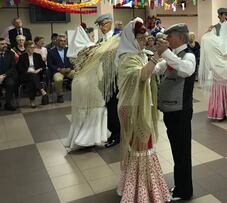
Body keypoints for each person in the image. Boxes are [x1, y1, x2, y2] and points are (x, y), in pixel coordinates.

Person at [115, 17, 170, 203]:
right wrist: (157, 56)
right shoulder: (126, 58)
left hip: (139, 105)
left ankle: (141, 186)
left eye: (145, 38)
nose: (143, 42)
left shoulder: (138, 54)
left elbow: (150, 72)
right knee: (140, 147)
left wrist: (161, 62)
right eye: (140, 38)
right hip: (131, 107)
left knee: (143, 146)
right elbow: (142, 75)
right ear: (130, 38)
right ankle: (140, 191)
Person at [156, 23, 196, 201]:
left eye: (169, 36)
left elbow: (186, 69)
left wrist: (165, 52)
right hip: (171, 111)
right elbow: (158, 69)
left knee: (182, 152)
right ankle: (180, 185)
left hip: (181, 111)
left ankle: (184, 190)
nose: (167, 39)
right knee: (176, 150)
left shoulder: (188, 55)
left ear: (180, 37)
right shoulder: (173, 55)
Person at [64, 24, 120, 151]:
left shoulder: (73, 51)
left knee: (81, 111)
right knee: (94, 109)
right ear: (86, 36)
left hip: (78, 83)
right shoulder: (88, 48)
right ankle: (88, 139)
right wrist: (119, 37)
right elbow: (106, 50)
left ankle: (77, 138)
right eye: (92, 36)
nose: (93, 38)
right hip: (90, 83)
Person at [95, 13, 121, 148]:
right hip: (104, 78)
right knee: (107, 106)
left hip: (117, 78)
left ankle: (117, 134)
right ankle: (115, 131)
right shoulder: (100, 41)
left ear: (110, 22)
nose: (101, 27)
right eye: (99, 25)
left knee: (113, 107)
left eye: (103, 24)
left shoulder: (119, 38)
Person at [17, 41, 48, 108]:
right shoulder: (22, 57)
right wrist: (29, 71)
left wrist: (38, 70)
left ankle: (32, 101)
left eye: (33, 47)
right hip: (26, 75)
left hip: (36, 75)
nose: (32, 49)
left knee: (32, 80)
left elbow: (43, 66)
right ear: (26, 48)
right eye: (30, 47)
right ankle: (41, 90)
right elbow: (20, 68)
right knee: (32, 76)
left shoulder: (37, 55)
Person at [48, 34, 74, 103]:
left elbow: (73, 61)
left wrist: (70, 68)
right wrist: (59, 69)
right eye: (61, 41)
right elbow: (50, 64)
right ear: (57, 41)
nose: (63, 42)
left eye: (64, 41)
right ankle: (60, 95)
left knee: (79, 75)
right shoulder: (51, 51)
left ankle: (76, 93)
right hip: (58, 71)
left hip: (68, 70)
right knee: (58, 79)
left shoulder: (68, 50)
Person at [0, 37, 17, 111]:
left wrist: (4, 75)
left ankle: (8, 103)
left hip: (7, 75)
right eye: (2, 44)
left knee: (10, 83)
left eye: (5, 43)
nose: (5, 45)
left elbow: (13, 68)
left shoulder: (10, 53)